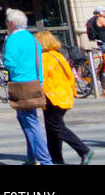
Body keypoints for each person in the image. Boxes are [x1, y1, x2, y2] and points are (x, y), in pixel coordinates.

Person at [37, 31, 92, 165]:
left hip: (52, 96)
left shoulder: (44, 58)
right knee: (52, 128)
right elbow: (70, 75)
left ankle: (83, 150)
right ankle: (56, 158)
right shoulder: (58, 55)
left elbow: (41, 78)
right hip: (63, 95)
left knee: (56, 127)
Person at [2, 9, 50, 164]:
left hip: (21, 84)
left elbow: (9, 63)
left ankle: (44, 160)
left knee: (30, 122)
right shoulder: (32, 38)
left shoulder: (12, 40)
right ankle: (31, 158)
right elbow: (39, 61)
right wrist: (40, 80)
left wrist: (8, 65)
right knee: (27, 119)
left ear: (12, 23)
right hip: (34, 82)